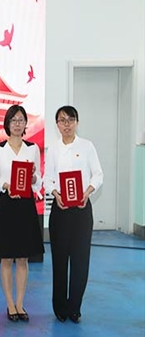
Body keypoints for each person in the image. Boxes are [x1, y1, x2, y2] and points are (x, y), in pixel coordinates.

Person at [45, 106, 103, 323]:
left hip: (81, 210)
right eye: (62, 120)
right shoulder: (53, 149)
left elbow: (98, 174)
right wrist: (55, 193)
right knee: (59, 260)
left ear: (77, 122)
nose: (67, 124)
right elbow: (48, 178)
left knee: (80, 260)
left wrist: (87, 192)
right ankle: (60, 307)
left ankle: (75, 307)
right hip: (60, 210)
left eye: (70, 119)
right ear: (57, 125)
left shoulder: (87, 146)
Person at [0, 104, 44, 322]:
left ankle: (20, 303)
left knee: (22, 257)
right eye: (13, 120)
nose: (17, 124)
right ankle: (9, 304)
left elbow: (38, 180)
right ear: (7, 123)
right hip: (7, 203)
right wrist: (6, 186)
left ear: (25, 124)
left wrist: (33, 177)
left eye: (21, 120)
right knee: (6, 257)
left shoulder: (32, 149)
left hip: (25, 205)